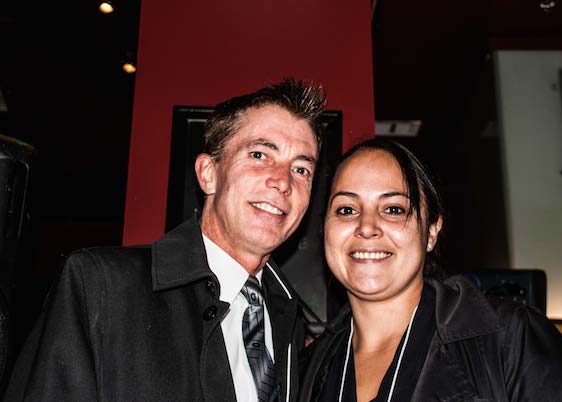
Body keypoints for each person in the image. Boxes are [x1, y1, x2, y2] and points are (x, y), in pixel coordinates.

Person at [5, 78, 326, 401]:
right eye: (259, 154)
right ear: (208, 174)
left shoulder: (288, 319)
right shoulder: (101, 286)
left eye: (301, 170)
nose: (283, 182)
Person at [300, 139, 562, 402]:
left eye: (393, 209)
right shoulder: (305, 370)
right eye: (346, 210)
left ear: (431, 232)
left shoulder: (511, 338)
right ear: (324, 228)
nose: (366, 227)